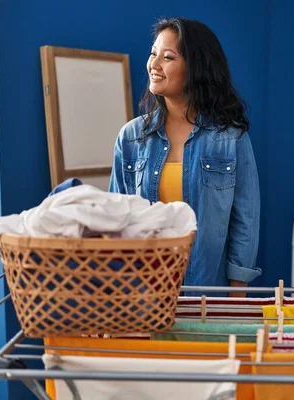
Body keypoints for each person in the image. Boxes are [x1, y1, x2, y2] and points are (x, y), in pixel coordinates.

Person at [108, 18, 261, 297]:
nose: (154, 64)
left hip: (207, 291)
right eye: (153, 53)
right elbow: (117, 220)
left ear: (196, 68)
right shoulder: (130, 138)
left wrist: (237, 292)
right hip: (143, 293)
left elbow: (245, 220)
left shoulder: (230, 139)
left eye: (168, 57)